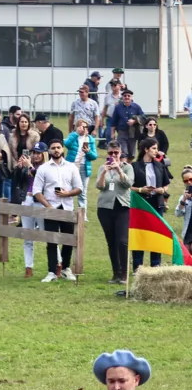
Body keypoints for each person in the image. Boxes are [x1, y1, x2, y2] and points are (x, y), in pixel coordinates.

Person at [32, 139, 84, 282]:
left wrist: (67, 194)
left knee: (68, 239)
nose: (56, 150)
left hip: (67, 207)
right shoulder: (43, 168)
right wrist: (47, 206)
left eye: (58, 147)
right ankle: (52, 272)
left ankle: (66, 268)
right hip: (51, 208)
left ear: (62, 149)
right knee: (52, 241)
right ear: (49, 151)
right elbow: (36, 191)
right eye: (53, 148)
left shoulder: (71, 167)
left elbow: (79, 188)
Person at [131, 137, 172, 271]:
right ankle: (138, 266)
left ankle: (156, 265)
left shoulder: (160, 165)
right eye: (153, 148)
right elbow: (128, 187)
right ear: (146, 149)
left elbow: (166, 184)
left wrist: (162, 190)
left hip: (156, 204)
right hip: (141, 204)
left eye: (157, 148)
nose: (156, 151)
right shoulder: (135, 166)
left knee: (157, 234)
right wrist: (141, 189)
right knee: (140, 234)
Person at [95, 141, 133, 285]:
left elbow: (128, 184)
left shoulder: (127, 167)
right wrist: (104, 172)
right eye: (110, 153)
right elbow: (100, 186)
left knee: (122, 241)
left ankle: (124, 273)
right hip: (105, 208)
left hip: (122, 207)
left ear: (120, 153)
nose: (113, 156)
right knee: (111, 242)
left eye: (116, 153)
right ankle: (116, 273)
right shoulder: (102, 168)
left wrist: (119, 170)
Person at [13, 143, 48, 278]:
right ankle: (28, 267)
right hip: (26, 199)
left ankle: (58, 264)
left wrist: (30, 167)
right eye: (34, 152)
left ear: (44, 154)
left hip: (41, 202)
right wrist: (18, 168)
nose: (36, 155)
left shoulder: (47, 167)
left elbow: (42, 180)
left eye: (39, 153)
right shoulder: (28, 164)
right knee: (27, 236)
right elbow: (17, 181)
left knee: (47, 234)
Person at [64, 119, 99, 221]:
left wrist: (88, 152)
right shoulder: (73, 136)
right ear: (77, 127)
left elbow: (94, 156)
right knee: (67, 189)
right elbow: (66, 144)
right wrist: (76, 134)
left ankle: (83, 215)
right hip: (71, 166)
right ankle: (67, 211)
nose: (84, 129)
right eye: (82, 127)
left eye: (86, 127)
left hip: (84, 167)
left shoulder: (90, 139)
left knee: (82, 192)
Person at [110, 91, 142, 158]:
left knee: (131, 154)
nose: (127, 97)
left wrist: (134, 121)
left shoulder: (137, 107)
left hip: (133, 133)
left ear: (131, 97)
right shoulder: (118, 108)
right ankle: (123, 165)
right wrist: (112, 133)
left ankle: (128, 167)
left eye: (128, 96)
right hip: (121, 132)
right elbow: (114, 121)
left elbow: (143, 117)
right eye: (125, 96)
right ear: (122, 97)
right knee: (123, 153)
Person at [174, 165, 192, 250]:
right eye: (186, 181)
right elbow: (178, 214)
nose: (189, 182)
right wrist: (184, 200)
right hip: (188, 232)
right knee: (187, 255)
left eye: (191, 179)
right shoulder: (183, 197)